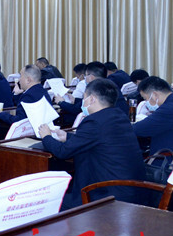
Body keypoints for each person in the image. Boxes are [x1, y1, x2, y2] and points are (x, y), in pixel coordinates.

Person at [39, 79, 146, 210]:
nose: (83, 102)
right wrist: (67, 136)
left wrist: (46, 137)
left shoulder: (94, 121)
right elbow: (101, 140)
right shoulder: (119, 115)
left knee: (49, 203)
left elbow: (63, 152)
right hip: (132, 190)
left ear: (92, 99)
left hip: (107, 195)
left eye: (84, 98)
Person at [133, 76, 173, 154]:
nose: (146, 102)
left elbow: (139, 129)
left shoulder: (169, 109)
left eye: (145, 98)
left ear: (155, 95)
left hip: (169, 157)